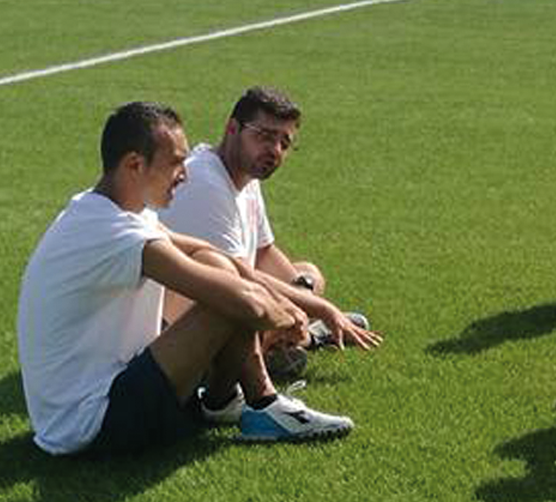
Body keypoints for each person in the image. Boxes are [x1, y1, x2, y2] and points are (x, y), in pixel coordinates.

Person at [17, 102, 354, 456]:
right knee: (228, 301)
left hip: (100, 395)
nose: (184, 175)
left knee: (217, 267)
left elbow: (206, 251)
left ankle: (223, 402)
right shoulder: (115, 233)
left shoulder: (109, 208)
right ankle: (264, 404)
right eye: (176, 163)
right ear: (134, 164)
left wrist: (281, 302)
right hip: (91, 424)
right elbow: (245, 303)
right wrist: (290, 318)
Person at [159, 86, 379, 374]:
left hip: (232, 290)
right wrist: (317, 308)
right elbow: (238, 278)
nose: (275, 150)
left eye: (284, 143)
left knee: (309, 274)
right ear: (232, 129)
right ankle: (288, 346)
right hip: (181, 320)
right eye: (265, 136)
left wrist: (303, 299)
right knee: (254, 305)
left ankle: (292, 338)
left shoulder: (246, 177)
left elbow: (264, 252)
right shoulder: (205, 183)